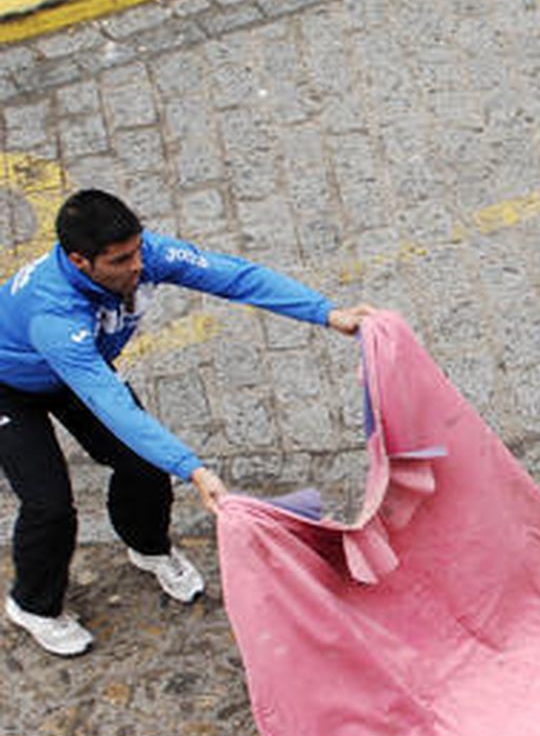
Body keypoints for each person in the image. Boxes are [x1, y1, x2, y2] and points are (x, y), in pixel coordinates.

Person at [0, 189, 374, 656]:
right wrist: (192, 467)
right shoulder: (52, 314)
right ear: (79, 261)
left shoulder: (145, 255)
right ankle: (33, 605)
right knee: (50, 505)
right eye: (119, 260)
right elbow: (108, 401)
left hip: (73, 369)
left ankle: (148, 547)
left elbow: (234, 276)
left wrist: (325, 313)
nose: (137, 266)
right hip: (13, 386)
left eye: (137, 251)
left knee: (143, 465)